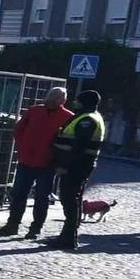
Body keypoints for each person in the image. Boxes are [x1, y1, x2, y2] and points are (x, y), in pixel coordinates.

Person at [0, 86, 73, 240]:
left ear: (63, 100)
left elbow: (68, 142)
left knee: (42, 197)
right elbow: (19, 129)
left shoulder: (68, 117)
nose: (52, 99)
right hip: (26, 160)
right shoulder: (34, 111)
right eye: (51, 95)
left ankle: (35, 228)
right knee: (18, 194)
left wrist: (59, 160)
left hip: (48, 163)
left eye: (56, 97)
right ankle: (12, 224)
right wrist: (23, 146)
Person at [43, 89, 106, 252]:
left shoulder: (88, 120)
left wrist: (64, 165)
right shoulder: (87, 117)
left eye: (78, 100)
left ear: (85, 102)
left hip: (76, 167)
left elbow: (78, 148)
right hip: (77, 166)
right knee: (72, 201)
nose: (75, 102)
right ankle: (67, 236)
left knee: (70, 201)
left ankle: (69, 238)